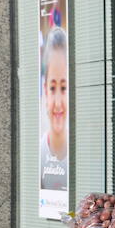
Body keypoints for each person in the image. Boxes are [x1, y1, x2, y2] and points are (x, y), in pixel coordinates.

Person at [40, 26, 68, 191]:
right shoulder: (35, 156)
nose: (58, 103)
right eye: (52, 88)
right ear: (45, 90)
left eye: (64, 88)